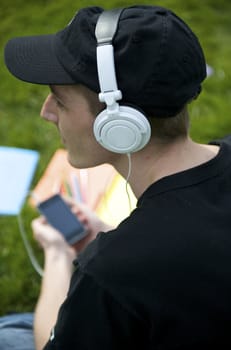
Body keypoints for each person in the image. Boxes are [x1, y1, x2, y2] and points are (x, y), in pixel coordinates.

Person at [3, 4, 231, 350]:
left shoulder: (110, 275)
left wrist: (58, 256)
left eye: (61, 101)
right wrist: (107, 233)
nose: (45, 111)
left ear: (119, 125)